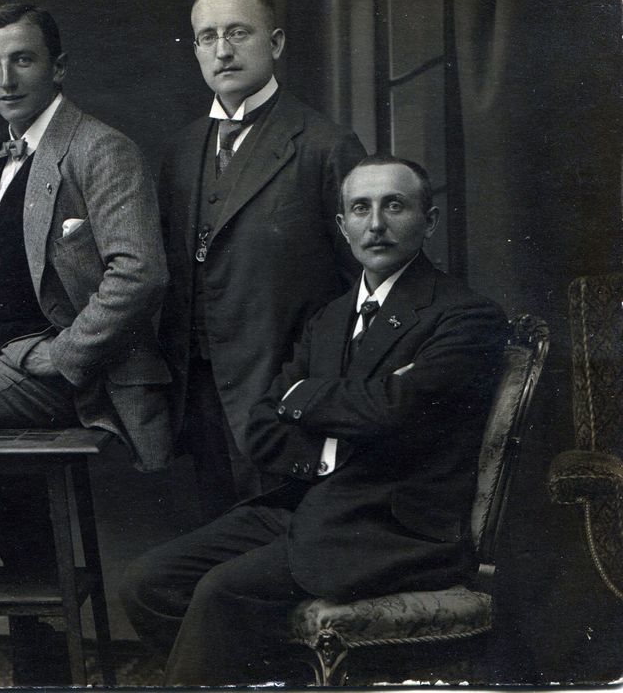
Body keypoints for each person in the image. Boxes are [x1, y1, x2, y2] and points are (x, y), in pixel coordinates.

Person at [120, 155, 509, 685]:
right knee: (148, 582)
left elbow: (395, 407)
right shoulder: (330, 318)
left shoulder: (465, 315)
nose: (376, 224)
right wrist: (341, 431)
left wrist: (304, 396)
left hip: (392, 527)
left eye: (395, 206)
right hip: (308, 504)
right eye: (361, 208)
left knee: (222, 590)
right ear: (342, 226)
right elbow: (261, 425)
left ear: (430, 221)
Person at [0, 3, 172, 684]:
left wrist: (65, 355)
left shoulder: (100, 148)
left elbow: (140, 273)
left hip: (76, 376)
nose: (5, 79)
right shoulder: (8, 155)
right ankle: (46, 673)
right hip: (8, 358)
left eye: (22, 60)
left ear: (58, 67)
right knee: (7, 507)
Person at [158, 0, 367, 518]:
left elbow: (365, 285)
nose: (222, 51)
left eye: (238, 33)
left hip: (284, 394)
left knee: (278, 542)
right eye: (208, 37)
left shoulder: (324, 145)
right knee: (216, 536)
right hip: (199, 395)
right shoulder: (181, 150)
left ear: (274, 43)